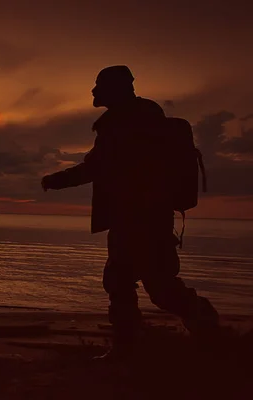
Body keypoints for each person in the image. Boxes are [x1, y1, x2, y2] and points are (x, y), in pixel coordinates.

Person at [41, 65, 220, 360]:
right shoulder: (140, 118)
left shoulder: (125, 121)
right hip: (140, 217)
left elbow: (98, 166)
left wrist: (56, 180)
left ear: (117, 88)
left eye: (99, 85)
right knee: (128, 281)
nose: (93, 91)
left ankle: (203, 329)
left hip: (141, 217)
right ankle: (132, 345)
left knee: (149, 285)